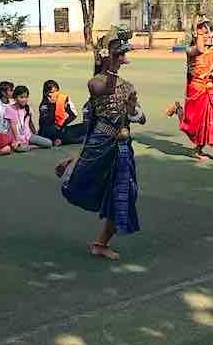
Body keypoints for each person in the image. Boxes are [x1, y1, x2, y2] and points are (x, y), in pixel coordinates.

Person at [57, 27, 146, 261]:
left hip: (122, 147)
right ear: (107, 56)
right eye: (117, 54)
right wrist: (108, 64)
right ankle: (72, 166)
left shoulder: (128, 85)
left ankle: (101, 243)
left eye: (121, 55)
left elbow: (140, 117)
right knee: (83, 183)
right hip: (100, 141)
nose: (121, 59)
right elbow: (105, 89)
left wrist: (132, 109)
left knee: (127, 194)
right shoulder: (94, 82)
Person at [166, 16, 213, 160]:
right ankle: (178, 109)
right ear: (196, 34)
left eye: (208, 33)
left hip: (209, 91)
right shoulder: (191, 50)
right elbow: (199, 49)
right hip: (196, 90)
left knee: (211, 122)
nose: (208, 36)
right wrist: (199, 28)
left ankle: (198, 149)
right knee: (193, 126)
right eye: (204, 33)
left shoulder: (211, 53)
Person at [4, 85, 53, 151]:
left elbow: (30, 123)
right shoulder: (9, 108)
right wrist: (17, 140)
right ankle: (28, 146)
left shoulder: (28, 108)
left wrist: (35, 133)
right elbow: (13, 126)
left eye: (26, 97)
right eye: (21, 97)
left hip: (28, 136)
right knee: (19, 149)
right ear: (15, 98)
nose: (24, 99)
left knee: (49, 143)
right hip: (15, 138)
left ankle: (30, 146)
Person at [38, 80, 86, 146]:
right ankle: (61, 140)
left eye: (56, 91)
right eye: (52, 92)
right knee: (78, 138)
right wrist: (53, 105)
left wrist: (66, 107)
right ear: (46, 93)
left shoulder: (63, 100)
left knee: (85, 126)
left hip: (62, 129)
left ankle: (61, 139)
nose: (55, 94)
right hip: (49, 132)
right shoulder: (44, 106)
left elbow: (74, 115)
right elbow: (47, 124)